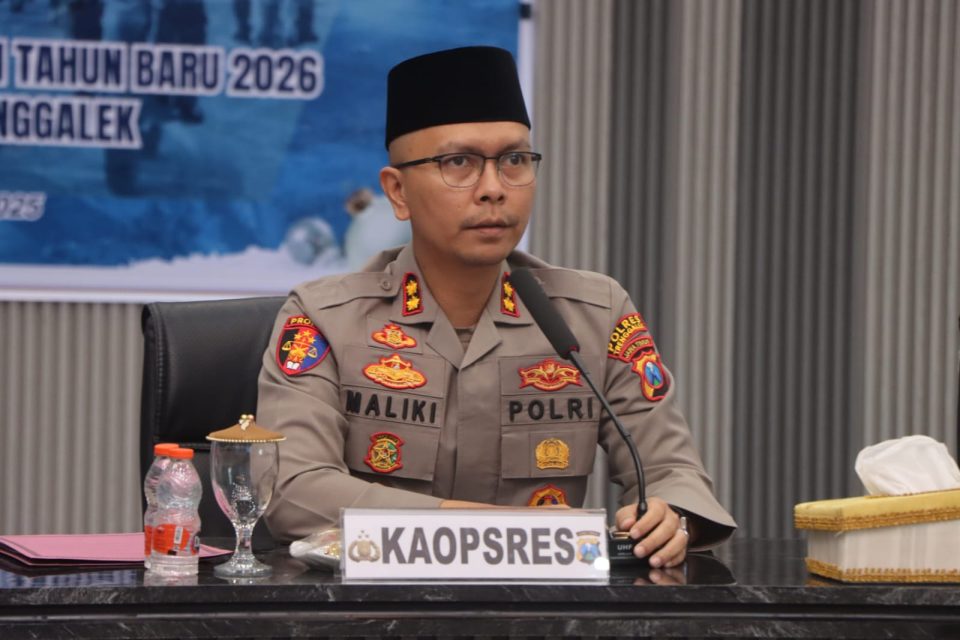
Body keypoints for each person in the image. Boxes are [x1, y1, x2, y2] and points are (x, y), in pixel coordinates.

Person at [258, 46, 736, 569]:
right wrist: (486, 528)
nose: (493, 190)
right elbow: (293, 490)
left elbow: (673, 473)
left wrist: (673, 517)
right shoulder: (325, 318)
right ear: (397, 192)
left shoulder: (593, 314)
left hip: (543, 608)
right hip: (373, 605)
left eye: (514, 161)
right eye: (457, 163)